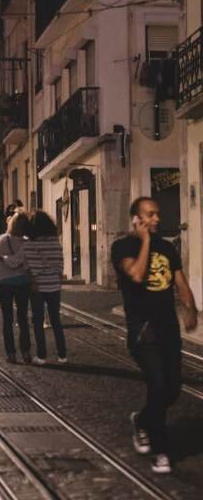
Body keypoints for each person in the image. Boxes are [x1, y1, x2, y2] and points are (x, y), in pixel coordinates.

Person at [111, 196, 198, 475]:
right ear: (136, 219)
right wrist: (146, 240)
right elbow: (137, 275)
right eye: (150, 214)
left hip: (168, 327)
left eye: (157, 214)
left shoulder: (167, 248)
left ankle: (142, 419)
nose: (156, 219)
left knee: (172, 388)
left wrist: (190, 308)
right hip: (143, 331)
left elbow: (180, 282)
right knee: (158, 384)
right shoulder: (122, 247)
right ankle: (161, 451)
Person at [25, 210, 67, 366]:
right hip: (54, 285)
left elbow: (28, 267)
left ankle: (41, 356)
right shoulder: (55, 242)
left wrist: (34, 279)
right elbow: (60, 263)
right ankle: (62, 355)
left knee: (38, 322)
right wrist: (57, 278)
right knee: (56, 321)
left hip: (37, 286)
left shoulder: (29, 244)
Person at [0, 212, 32, 364]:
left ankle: (11, 354)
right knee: (23, 319)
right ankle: (26, 352)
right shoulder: (27, 243)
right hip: (22, 283)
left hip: (4, 283)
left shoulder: (1, 239)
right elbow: (27, 267)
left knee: (7, 319)